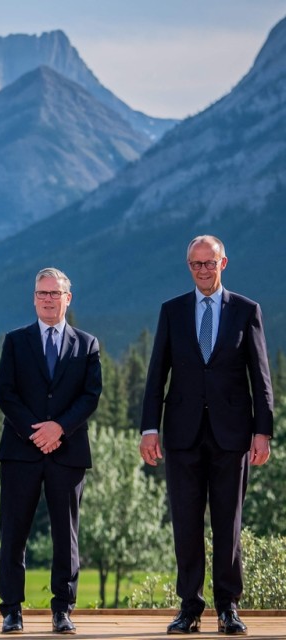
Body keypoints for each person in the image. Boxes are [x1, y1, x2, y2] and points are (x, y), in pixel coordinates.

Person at [140, 235, 274, 636]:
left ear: (223, 263)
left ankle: (228, 607)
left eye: (209, 263)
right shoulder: (172, 310)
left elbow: (261, 376)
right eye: (195, 264)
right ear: (189, 266)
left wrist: (263, 431)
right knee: (185, 524)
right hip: (181, 436)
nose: (202, 270)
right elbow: (155, 374)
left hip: (232, 437)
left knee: (228, 523)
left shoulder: (246, 311)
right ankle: (189, 608)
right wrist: (150, 428)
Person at [0, 267, 102, 635]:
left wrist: (60, 428)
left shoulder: (87, 344)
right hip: (20, 452)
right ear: (34, 298)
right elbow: (5, 393)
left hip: (67, 450)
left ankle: (63, 609)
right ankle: (11, 610)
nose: (48, 299)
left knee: (65, 534)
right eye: (42, 293)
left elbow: (90, 395)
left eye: (55, 294)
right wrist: (34, 432)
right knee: (13, 532)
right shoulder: (15, 341)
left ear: (68, 299)